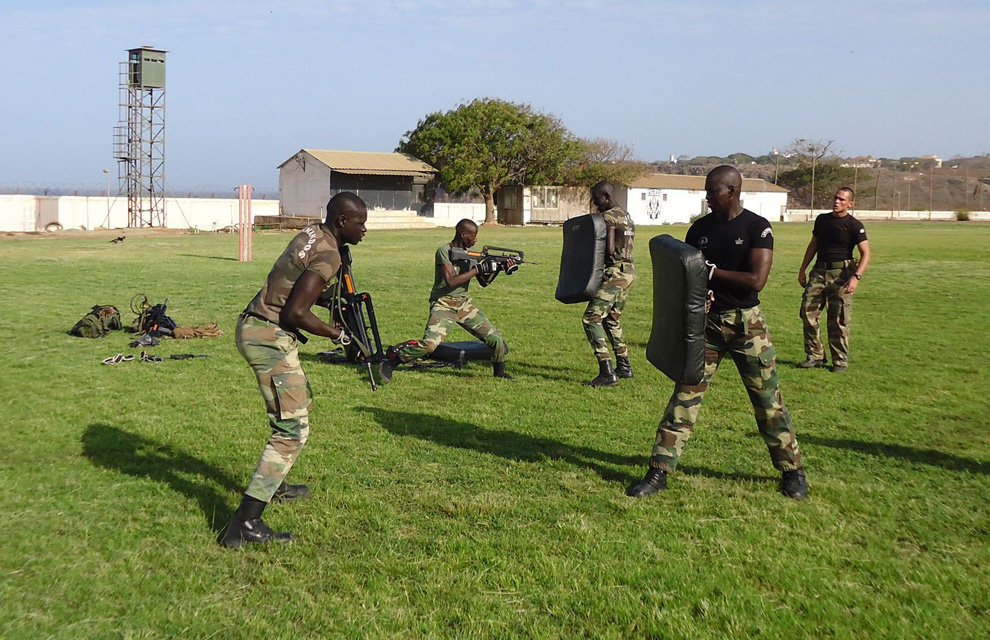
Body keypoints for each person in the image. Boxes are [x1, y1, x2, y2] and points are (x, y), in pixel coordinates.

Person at [628, 166, 807, 500]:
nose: (708, 197)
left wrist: (711, 273)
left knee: (767, 401)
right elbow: (686, 274)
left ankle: (792, 471)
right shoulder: (699, 230)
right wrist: (701, 290)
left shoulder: (757, 228)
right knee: (684, 396)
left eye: (713, 192)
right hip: (708, 326)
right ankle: (659, 471)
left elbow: (756, 281)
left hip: (747, 326)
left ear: (733, 191)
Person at [221, 192, 368, 548]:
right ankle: (245, 523)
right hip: (267, 334)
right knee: (292, 429)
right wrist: (339, 334)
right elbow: (295, 314)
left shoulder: (313, 235)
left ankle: (274, 482)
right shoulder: (329, 253)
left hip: (257, 326)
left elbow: (294, 282)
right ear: (342, 222)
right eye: (360, 223)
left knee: (300, 405)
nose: (366, 229)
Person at [378, 218, 512, 382]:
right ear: (463, 235)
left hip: (463, 304)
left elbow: (484, 282)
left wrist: (497, 268)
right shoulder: (444, 251)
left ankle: (499, 372)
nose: (475, 240)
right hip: (444, 304)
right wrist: (477, 269)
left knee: (496, 340)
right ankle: (392, 362)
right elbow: (451, 281)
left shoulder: (472, 255)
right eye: (473, 236)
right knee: (430, 344)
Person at [797, 187, 871, 373]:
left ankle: (839, 361)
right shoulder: (822, 220)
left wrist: (856, 278)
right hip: (819, 270)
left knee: (838, 319)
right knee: (807, 313)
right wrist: (803, 268)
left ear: (850, 204)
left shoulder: (854, 225)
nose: (836, 201)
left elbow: (866, 253)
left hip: (841, 274)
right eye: (835, 198)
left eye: (841, 199)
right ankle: (815, 356)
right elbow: (813, 244)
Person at [583, 181, 637, 387]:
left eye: (597, 200)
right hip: (629, 272)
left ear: (606, 196)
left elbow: (609, 249)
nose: (596, 205)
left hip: (615, 273)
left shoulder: (608, 218)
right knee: (612, 319)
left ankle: (606, 370)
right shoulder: (626, 215)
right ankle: (624, 366)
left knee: (591, 318)